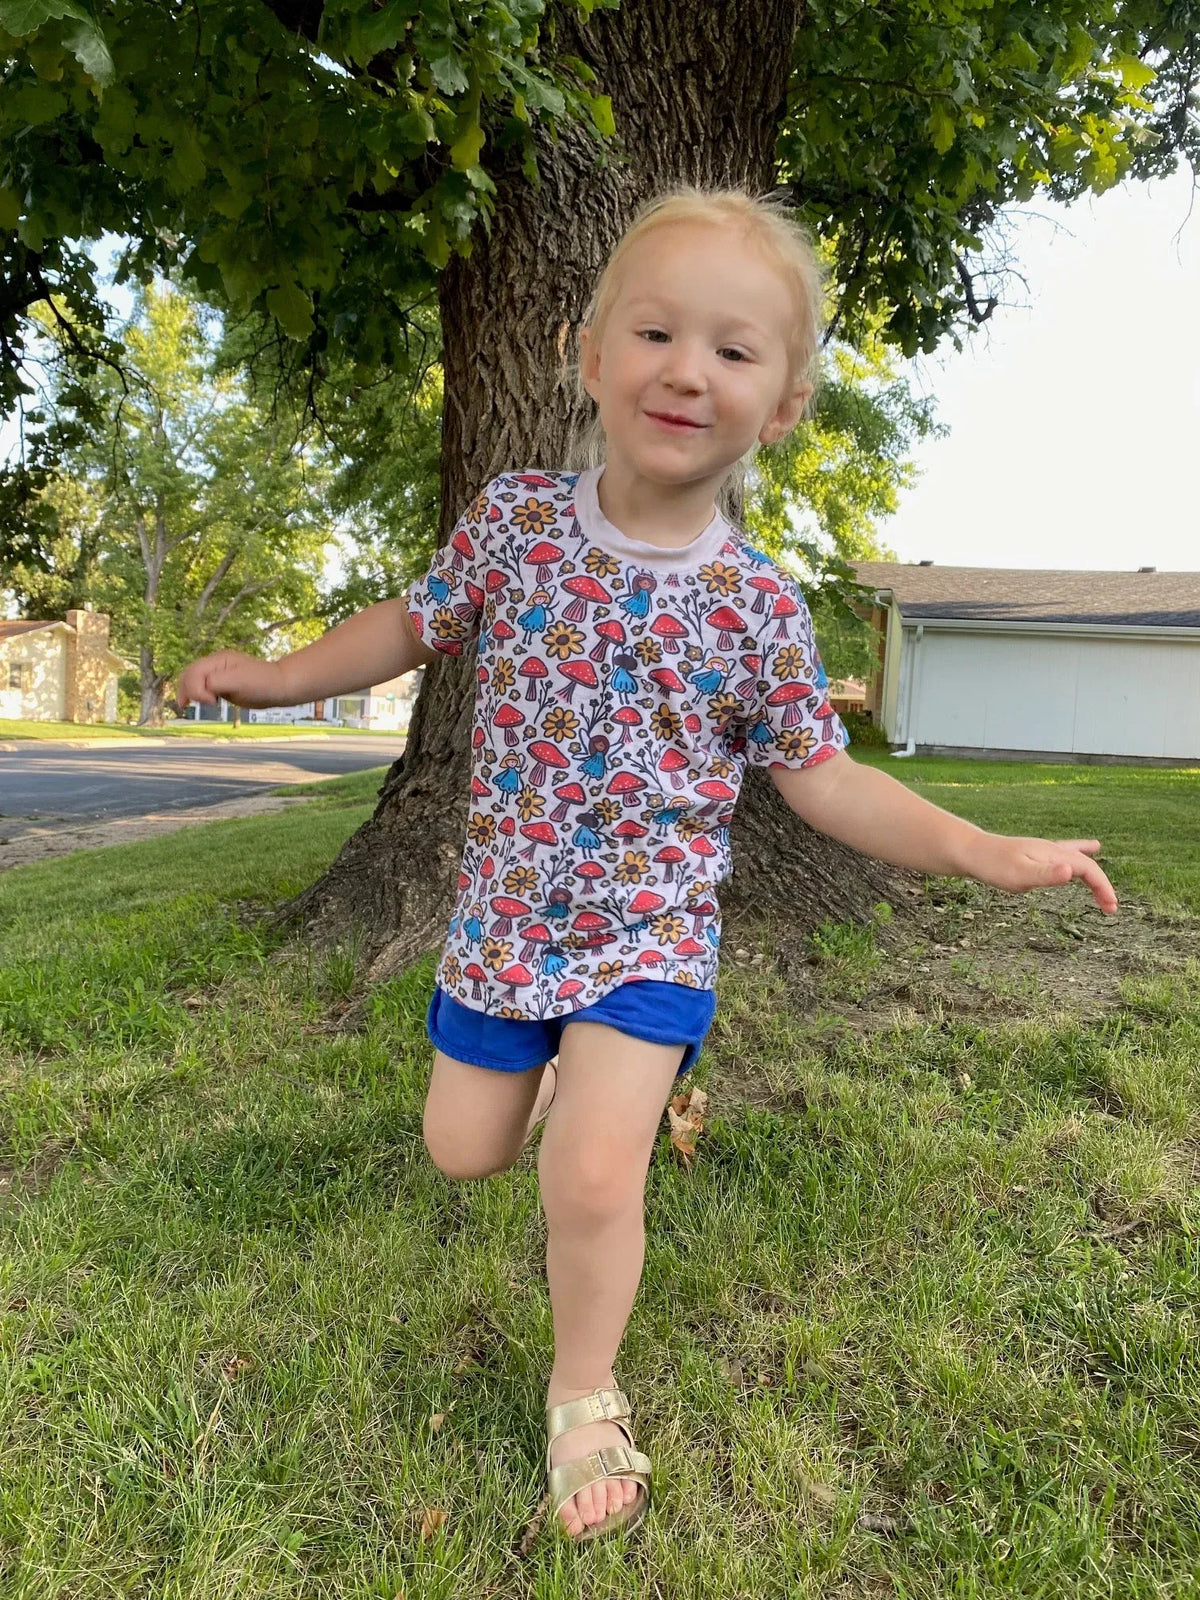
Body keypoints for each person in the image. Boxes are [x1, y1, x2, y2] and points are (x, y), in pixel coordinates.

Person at [178, 184, 1119, 1545]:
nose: (689, 369)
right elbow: (407, 624)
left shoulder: (759, 610)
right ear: (588, 352)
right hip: (503, 923)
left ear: (782, 405)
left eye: (735, 351)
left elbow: (825, 775)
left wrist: (978, 847)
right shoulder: (512, 522)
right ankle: (567, 1081)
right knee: (462, 1150)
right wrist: (274, 677)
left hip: (647, 938)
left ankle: (583, 1395)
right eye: (658, 333)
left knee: (594, 1177)